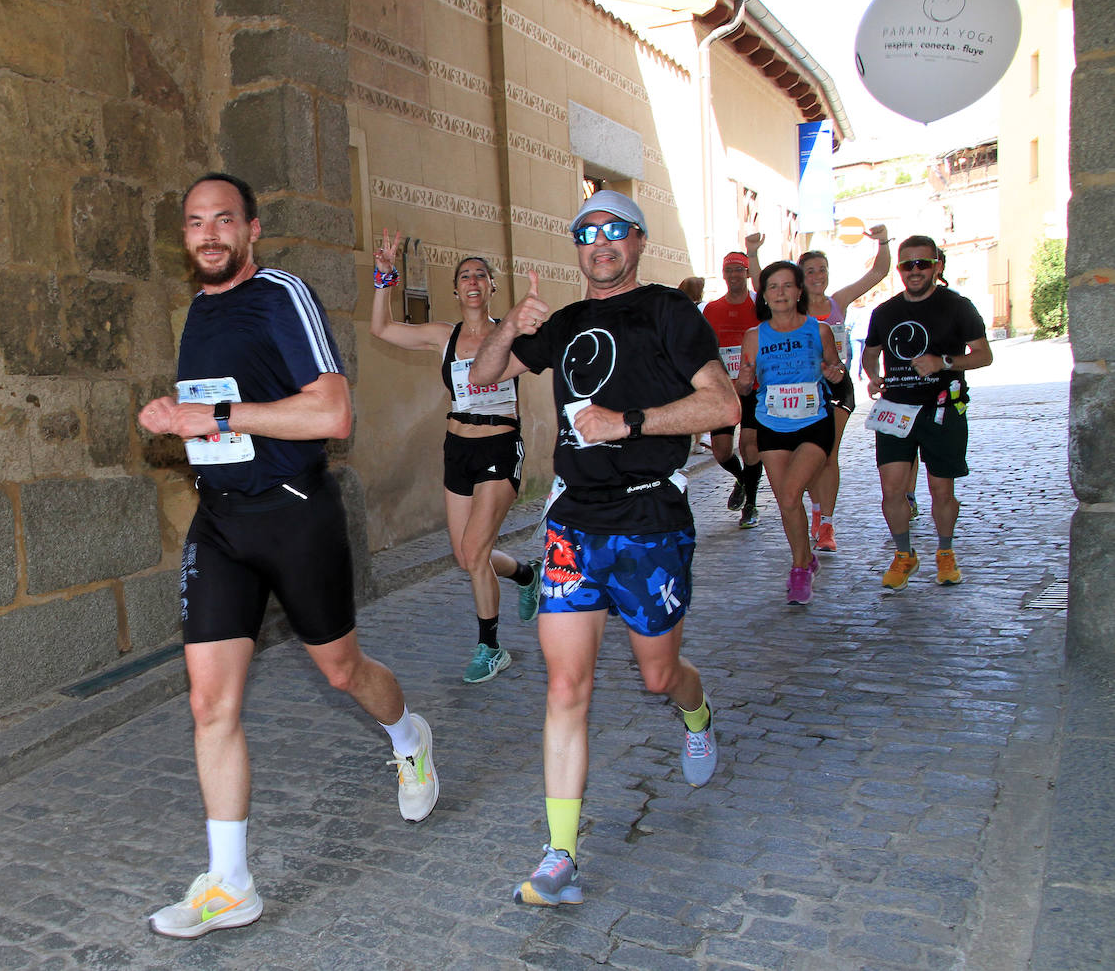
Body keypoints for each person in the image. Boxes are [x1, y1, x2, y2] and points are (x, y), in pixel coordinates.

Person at [138, 173, 440, 940]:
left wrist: (215, 413)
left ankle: (409, 736)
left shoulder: (281, 294)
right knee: (211, 702)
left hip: (296, 516)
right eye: (195, 222)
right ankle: (230, 881)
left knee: (342, 670)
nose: (208, 234)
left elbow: (333, 411)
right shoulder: (198, 312)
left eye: (223, 220)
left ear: (252, 228)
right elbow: (218, 420)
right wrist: (181, 421)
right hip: (221, 524)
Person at [467, 190, 739, 907]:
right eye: (587, 232)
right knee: (566, 686)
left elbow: (723, 404)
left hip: (652, 518)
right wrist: (507, 326)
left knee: (658, 676)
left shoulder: (669, 313)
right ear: (577, 246)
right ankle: (561, 855)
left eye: (615, 231)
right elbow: (483, 375)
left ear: (639, 241)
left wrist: (632, 421)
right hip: (572, 526)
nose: (601, 242)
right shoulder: (564, 323)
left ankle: (698, 713)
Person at [369, 230, 541, 684]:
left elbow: (545, 348)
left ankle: (490, 646)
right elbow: (381, 329)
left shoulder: (511, 333)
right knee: (467, 557)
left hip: (500, 447)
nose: (472, 281)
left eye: (481, 275)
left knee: (474, 549)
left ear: (490, 288)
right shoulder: (443, 336)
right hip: (457, 448)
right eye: (464, 275)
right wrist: (383, 278)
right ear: (455, 289)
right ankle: (525, 574)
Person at [861, 234, 993, 591]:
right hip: (896, 409)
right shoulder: (884, 312)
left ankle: (945, 552)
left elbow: (983, 354)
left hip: (942, 409)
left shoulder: (957, 306)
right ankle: (904, 555)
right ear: (900, 270)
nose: (915, 271)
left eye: (923, 263)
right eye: (907, 265)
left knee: (941, 490)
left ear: (937, 265)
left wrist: (944, 361)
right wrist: (874, 378)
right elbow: (870, 353)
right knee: (892, 490)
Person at [750, 225, 891, 553]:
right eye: (809, 271)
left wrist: (883, 241)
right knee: (805, 461)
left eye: (821, 270)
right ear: (800, 280)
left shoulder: (837, 301)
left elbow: (879, 272)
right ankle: (813, 512)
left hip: (835, 389)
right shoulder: (790, 311)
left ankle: (824, 522)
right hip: (789, 397)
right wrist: (753, 252)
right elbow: (763, 284)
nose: (816, 276)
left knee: (828, 454)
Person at [736, 262, 847, 604]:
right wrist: (741, 380)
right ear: (764, 295)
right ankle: (805, 560)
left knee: (788, 495)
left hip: (813, 421)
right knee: (788, 504)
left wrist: (834, 373)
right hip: (772, 423)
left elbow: (836, 368)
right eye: (773, 287)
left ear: (799, 291)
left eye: (787, 286)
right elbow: (744, 383)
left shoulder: (819, 330)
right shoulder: (753, 337)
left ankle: (799, 569)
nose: (780, 293)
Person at [702, 244, 764, 528]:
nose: (734, 275)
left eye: (739, 270)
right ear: (723, 274)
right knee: (722, 451)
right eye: (729, 270)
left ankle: (750, 505)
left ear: (747, 273)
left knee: (750, 447)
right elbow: (704, 349)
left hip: (755, 387)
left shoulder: (759, 307)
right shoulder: (712, 309)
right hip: (724, 389)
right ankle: (741, 478)